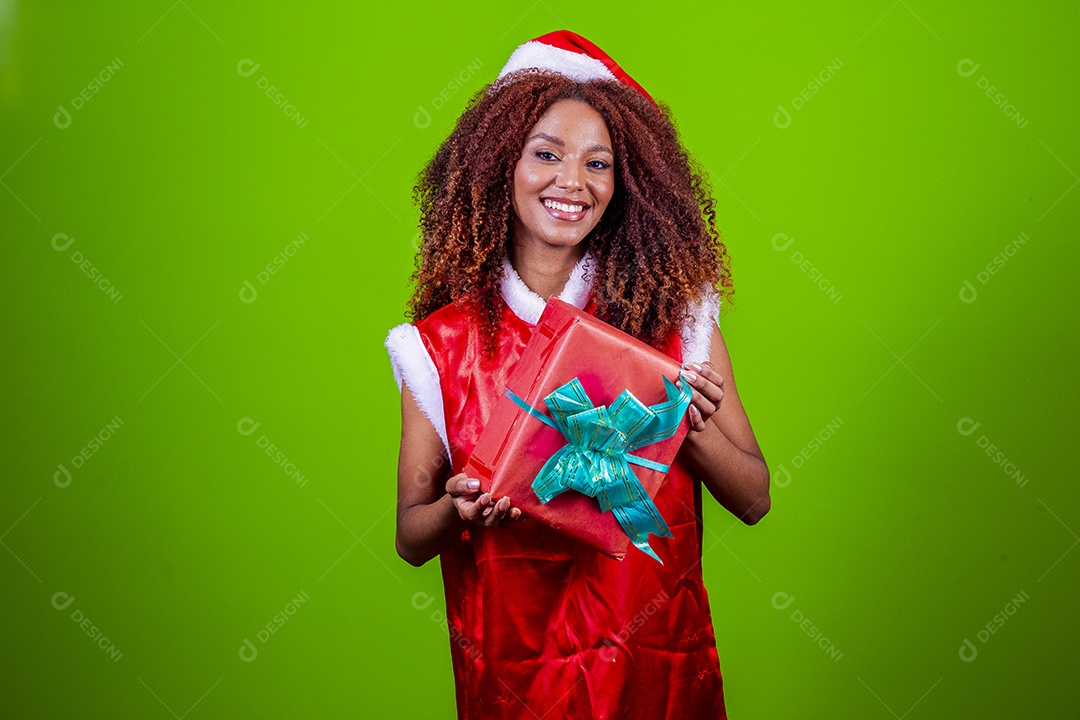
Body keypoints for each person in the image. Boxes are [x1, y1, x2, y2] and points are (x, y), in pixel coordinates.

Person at [385, 30, 770, 720]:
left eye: (599, 163)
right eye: (546, 154)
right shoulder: (439, 346)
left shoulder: (676, 319)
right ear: (501, 164)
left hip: (657, 676)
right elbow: (413, 535)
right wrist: (459, 509)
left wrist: (679, 423)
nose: (572, 181)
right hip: (515, 683)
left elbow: (754, 498)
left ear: (627, 185)